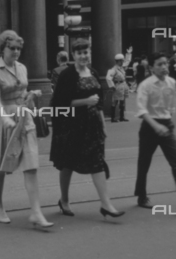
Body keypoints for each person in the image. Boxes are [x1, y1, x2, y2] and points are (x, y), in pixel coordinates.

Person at [0, 30, 53, 228]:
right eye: (11, 48)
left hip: (23, 118)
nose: (15, 52)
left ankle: (36, 212)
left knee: (31, 165)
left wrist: (31, 95)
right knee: (0, 166)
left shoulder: (22, 67)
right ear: (3, 49)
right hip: (2, 119)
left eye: (18, 48)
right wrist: (4, 117)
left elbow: (21, 93)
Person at [50, 38, 125, 219]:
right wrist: (85, 102)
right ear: (74, 55)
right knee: (67, 164)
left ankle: (106, 204)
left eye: (86, 52)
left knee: (96, 162)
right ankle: (65, 200)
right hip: (72, 127)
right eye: (80, 53)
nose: (83, 56)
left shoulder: (93, 72)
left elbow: (98, 103)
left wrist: (103, 125)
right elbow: (59, 103)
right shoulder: (67, 75)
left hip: (93, 126)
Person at [134, 52, 176, 214]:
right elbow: (142, 110)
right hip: (150, 127)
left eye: (165, 63)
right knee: (144, 163)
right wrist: (156, 126)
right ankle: (141, 196)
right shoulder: (146, 85)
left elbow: (171, 108)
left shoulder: (172, 82)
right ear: (151, 68)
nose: (164, 67)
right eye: (160, 64)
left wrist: (168, 123)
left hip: (166, 126)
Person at [106, 53, 130, 123]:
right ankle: (113, 118)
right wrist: (112, 86)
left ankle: (122, 117)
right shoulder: (114, 69)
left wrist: (129, 53)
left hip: (123, 84)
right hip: (118, 85)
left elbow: (127, 62)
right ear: (118, 61)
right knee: (115, 101)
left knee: (122, 101)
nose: (123, 62)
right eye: (121, 61)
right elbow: (108, 78)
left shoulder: (121, 68)